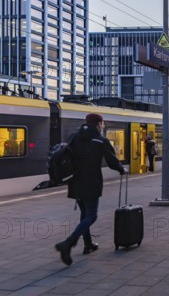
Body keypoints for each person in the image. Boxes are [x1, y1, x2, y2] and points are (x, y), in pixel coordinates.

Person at [54, 113, 127, 266]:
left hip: (75, 183)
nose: (103, 126)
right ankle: (68, 243)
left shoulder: (74, 137)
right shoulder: (100, 141)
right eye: (102, 124)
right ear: (98, 124)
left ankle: (88, 245)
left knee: (84, 214)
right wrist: (122, 170)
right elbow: (112, 161)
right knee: (92, 216)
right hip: (91, 183)